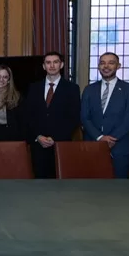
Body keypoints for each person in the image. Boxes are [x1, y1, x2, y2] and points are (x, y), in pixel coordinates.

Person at [81, 52, 129, 178]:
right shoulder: (89, 89)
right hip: (93, 145)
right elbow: (84, 117)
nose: (106, 66)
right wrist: (100, 137)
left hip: (120, 146)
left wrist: (112, 138)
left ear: (118, 66)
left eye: (111, 63)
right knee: (90, 185)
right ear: (98, 66)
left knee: (120, 186)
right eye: (102, 63)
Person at [25, 51, 81, 179]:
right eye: (48, 62)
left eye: (55, 62)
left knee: (61, 183)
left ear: (61, 65)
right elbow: (28, 116)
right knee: (40, 183)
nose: (52, 66)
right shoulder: (34, 88)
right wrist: (38, 136)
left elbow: (74, 118)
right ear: (43, 66)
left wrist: (55, 138)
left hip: (61, 145)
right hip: (38, 145)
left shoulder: (72, 88)